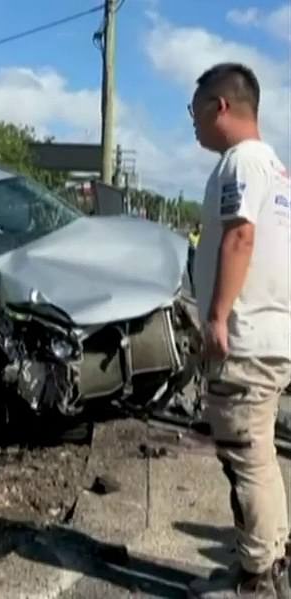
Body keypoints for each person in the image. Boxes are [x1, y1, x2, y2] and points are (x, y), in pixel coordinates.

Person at [188, 62, 291, 598]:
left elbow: (240, 240)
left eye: (194, 110)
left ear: (220, 107)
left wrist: (217, 317)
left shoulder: (238, 164)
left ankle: (255, 580)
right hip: (274, 337)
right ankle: (270, 563)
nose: (193, 122)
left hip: (244, 339)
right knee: (263, 455)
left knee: (245, 458)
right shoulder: (277, 169)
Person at [187, 222, 202, 296]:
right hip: (191, 253)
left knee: (195, 272)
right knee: (190, 271)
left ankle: (196, 291)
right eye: (199, 227)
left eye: (201, 228)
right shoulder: (191, 235)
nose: (200, 229)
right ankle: (193, 290)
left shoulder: (202, 236)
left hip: (198, 254)